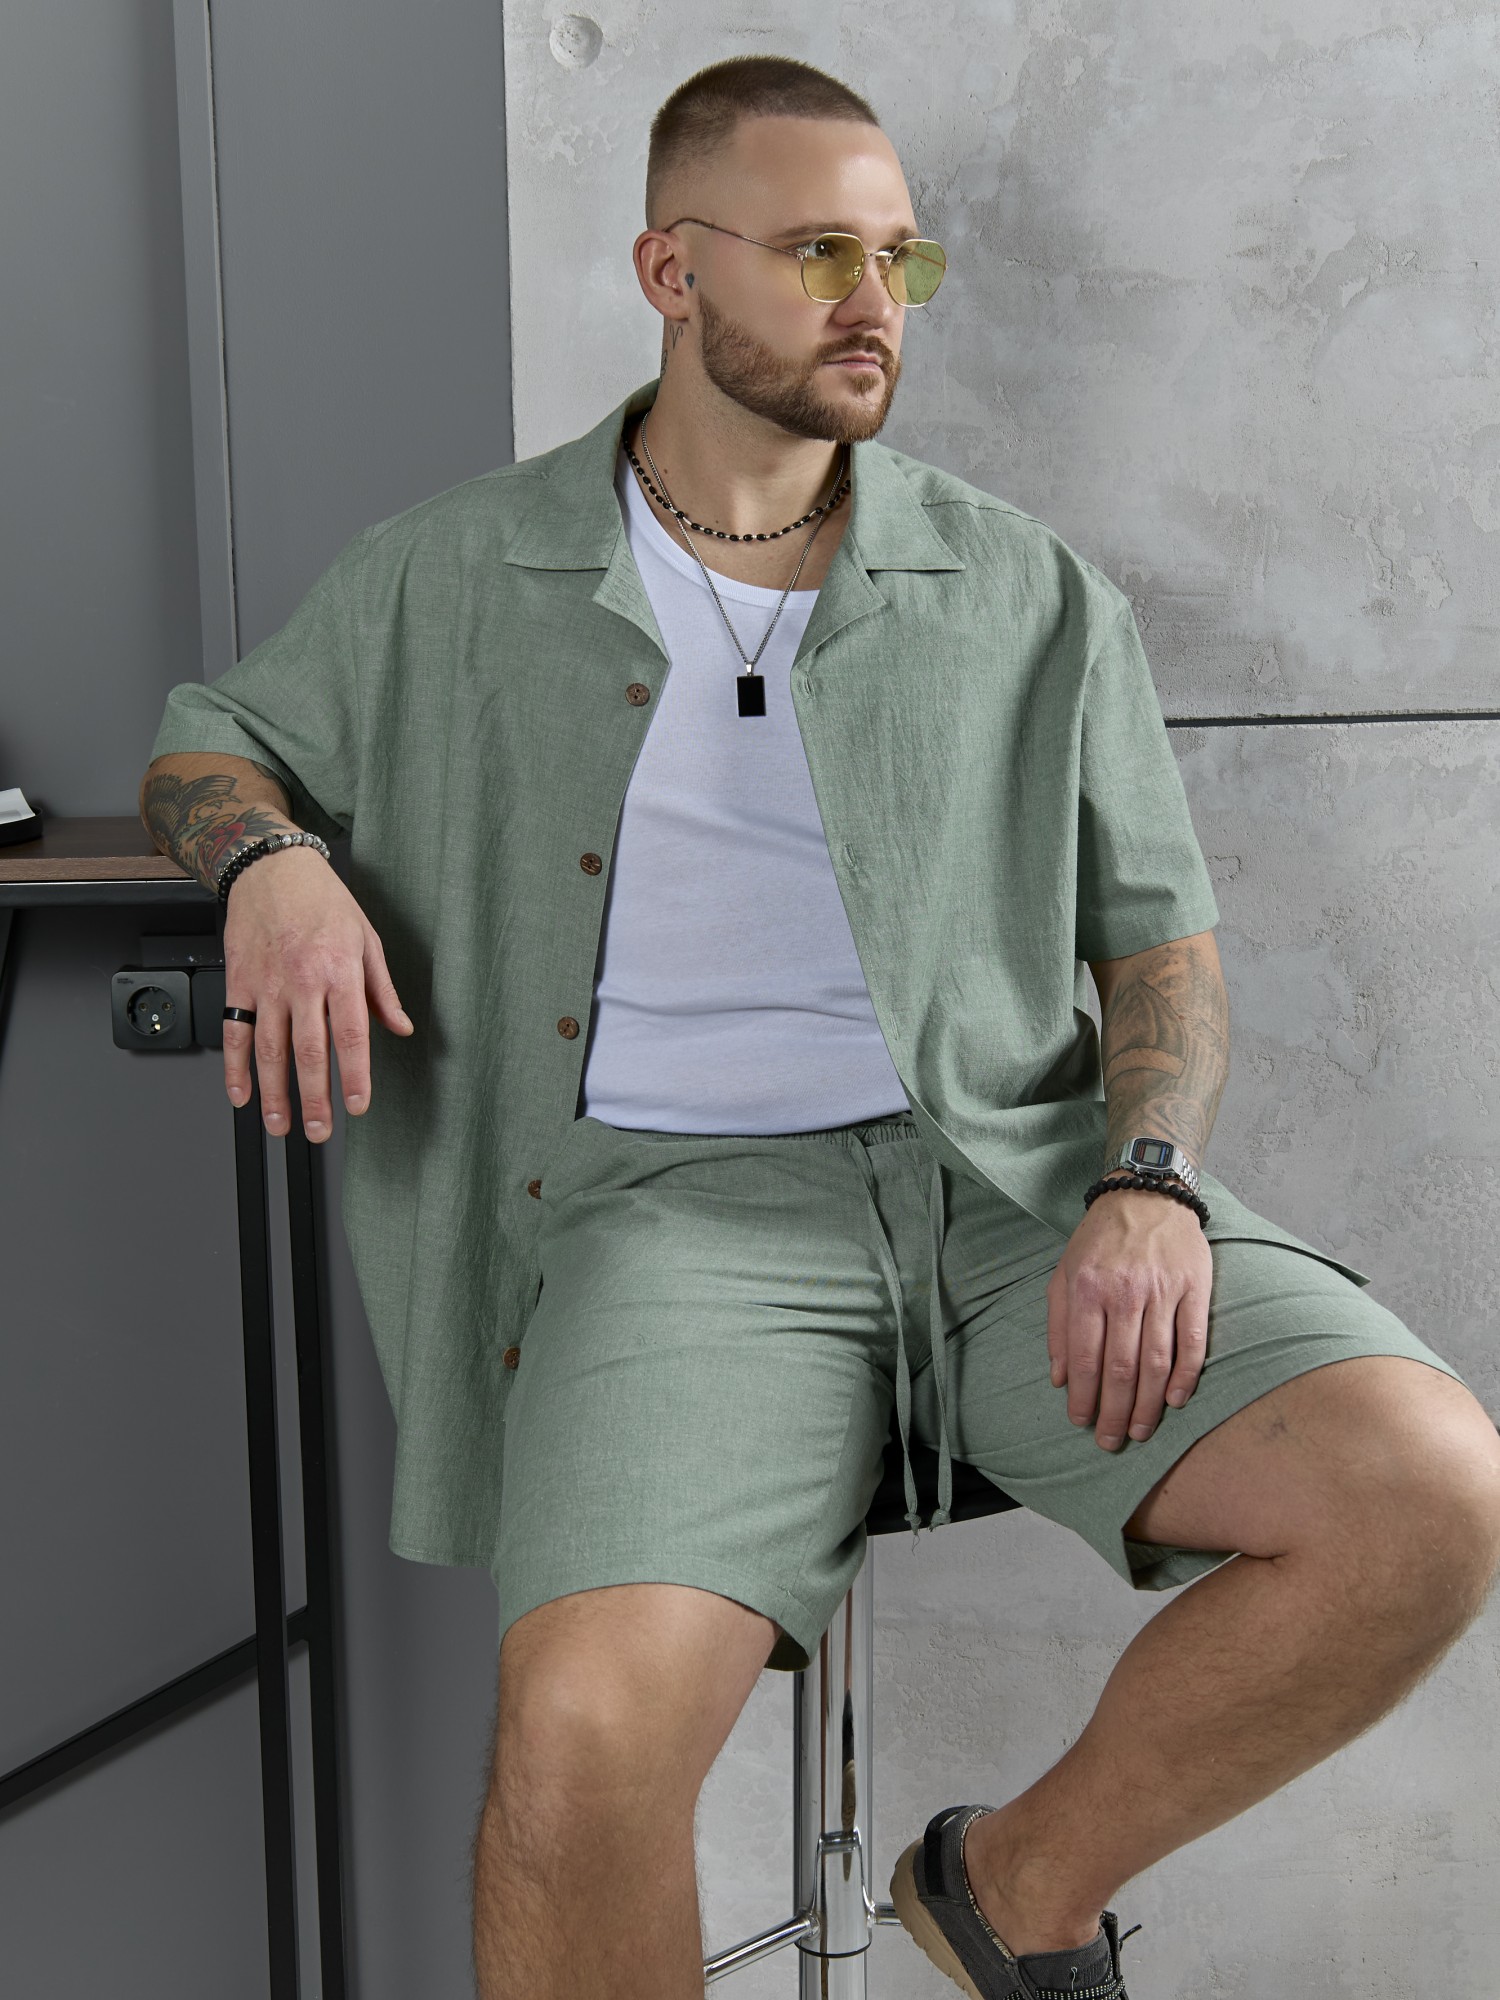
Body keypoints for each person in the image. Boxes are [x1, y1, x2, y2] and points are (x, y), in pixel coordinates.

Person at [138, 52, 1500, 2000]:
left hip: (1009, 1189)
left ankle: (1012, 1886)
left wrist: (1145, 1181)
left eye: (899, 257)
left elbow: (1164, 954)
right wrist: (270, 860)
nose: (876, 301)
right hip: (667, 1220)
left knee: (1425, 1489)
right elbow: (213, 737)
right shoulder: (453, 570)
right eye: (816, 254)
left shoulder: (1024, 592)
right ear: (669, 272)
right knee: (583, 1737)